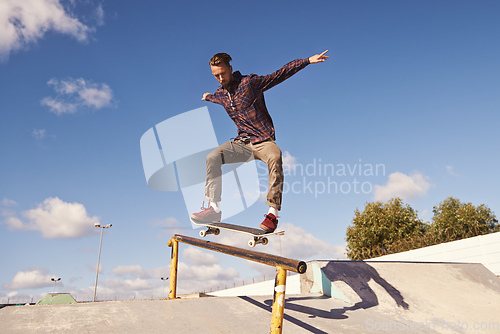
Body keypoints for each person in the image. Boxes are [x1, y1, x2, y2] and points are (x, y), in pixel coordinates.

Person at [190, 50, 329, 232]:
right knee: (213, 157)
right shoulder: (221, 94)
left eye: (223, 73)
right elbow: (216, 98)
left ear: (231, 69)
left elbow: (279, 75)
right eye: (216, 75)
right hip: (242, 144)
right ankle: (214, 209)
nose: (220, 78)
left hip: (263, 140)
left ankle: (273, 213)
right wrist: (208, 96)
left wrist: (307, 61)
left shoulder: (250, 83)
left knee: (275, 156)